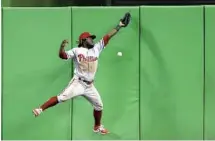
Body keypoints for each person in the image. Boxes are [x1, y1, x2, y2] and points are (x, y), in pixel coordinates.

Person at [33, 13, 131, 135]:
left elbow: (107, 37)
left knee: (99, 106)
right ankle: (40, 109)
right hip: (78, 83)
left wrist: (119, 25)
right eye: (90, 38)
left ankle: (97, 126)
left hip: (90, 86)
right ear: (83, 40)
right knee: (61, 98)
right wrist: (62, 48)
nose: (92, 39)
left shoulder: (96, 49)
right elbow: (63, 56)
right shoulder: (77, 50)